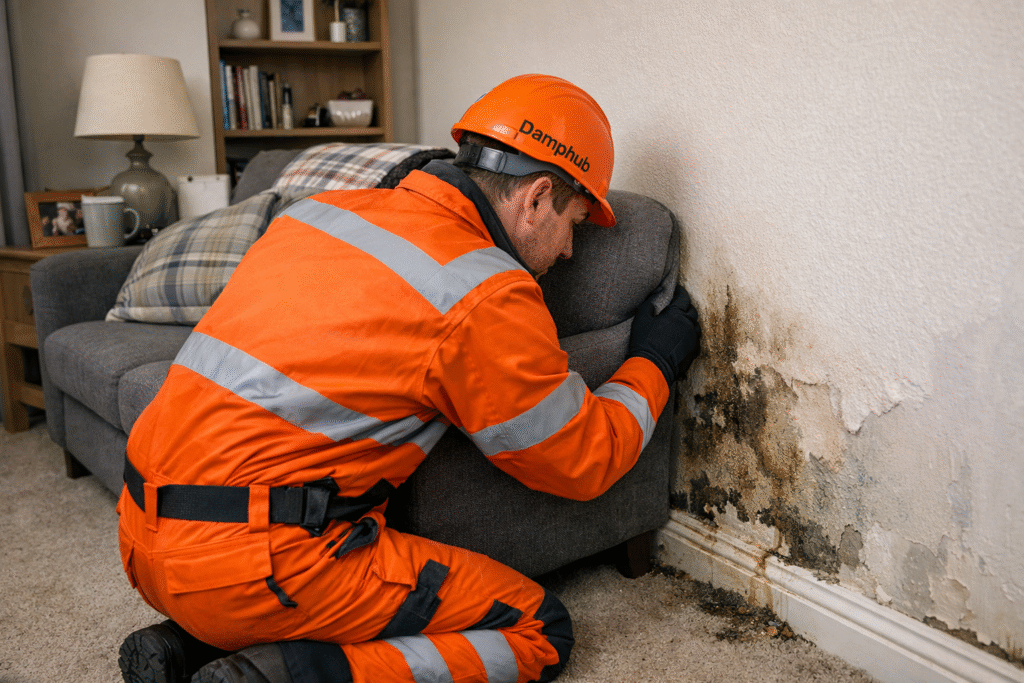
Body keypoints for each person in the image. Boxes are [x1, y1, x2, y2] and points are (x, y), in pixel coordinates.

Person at [116, 74, 701, 683]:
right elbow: (580, 458)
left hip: (140, 537)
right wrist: (654, 362)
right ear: (536, 198)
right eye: (576, 222)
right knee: (538, 632)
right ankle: (284, 672)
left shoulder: (318, 215)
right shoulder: (481, 288)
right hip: (257, 567)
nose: (572, 251)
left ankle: (189, 648)